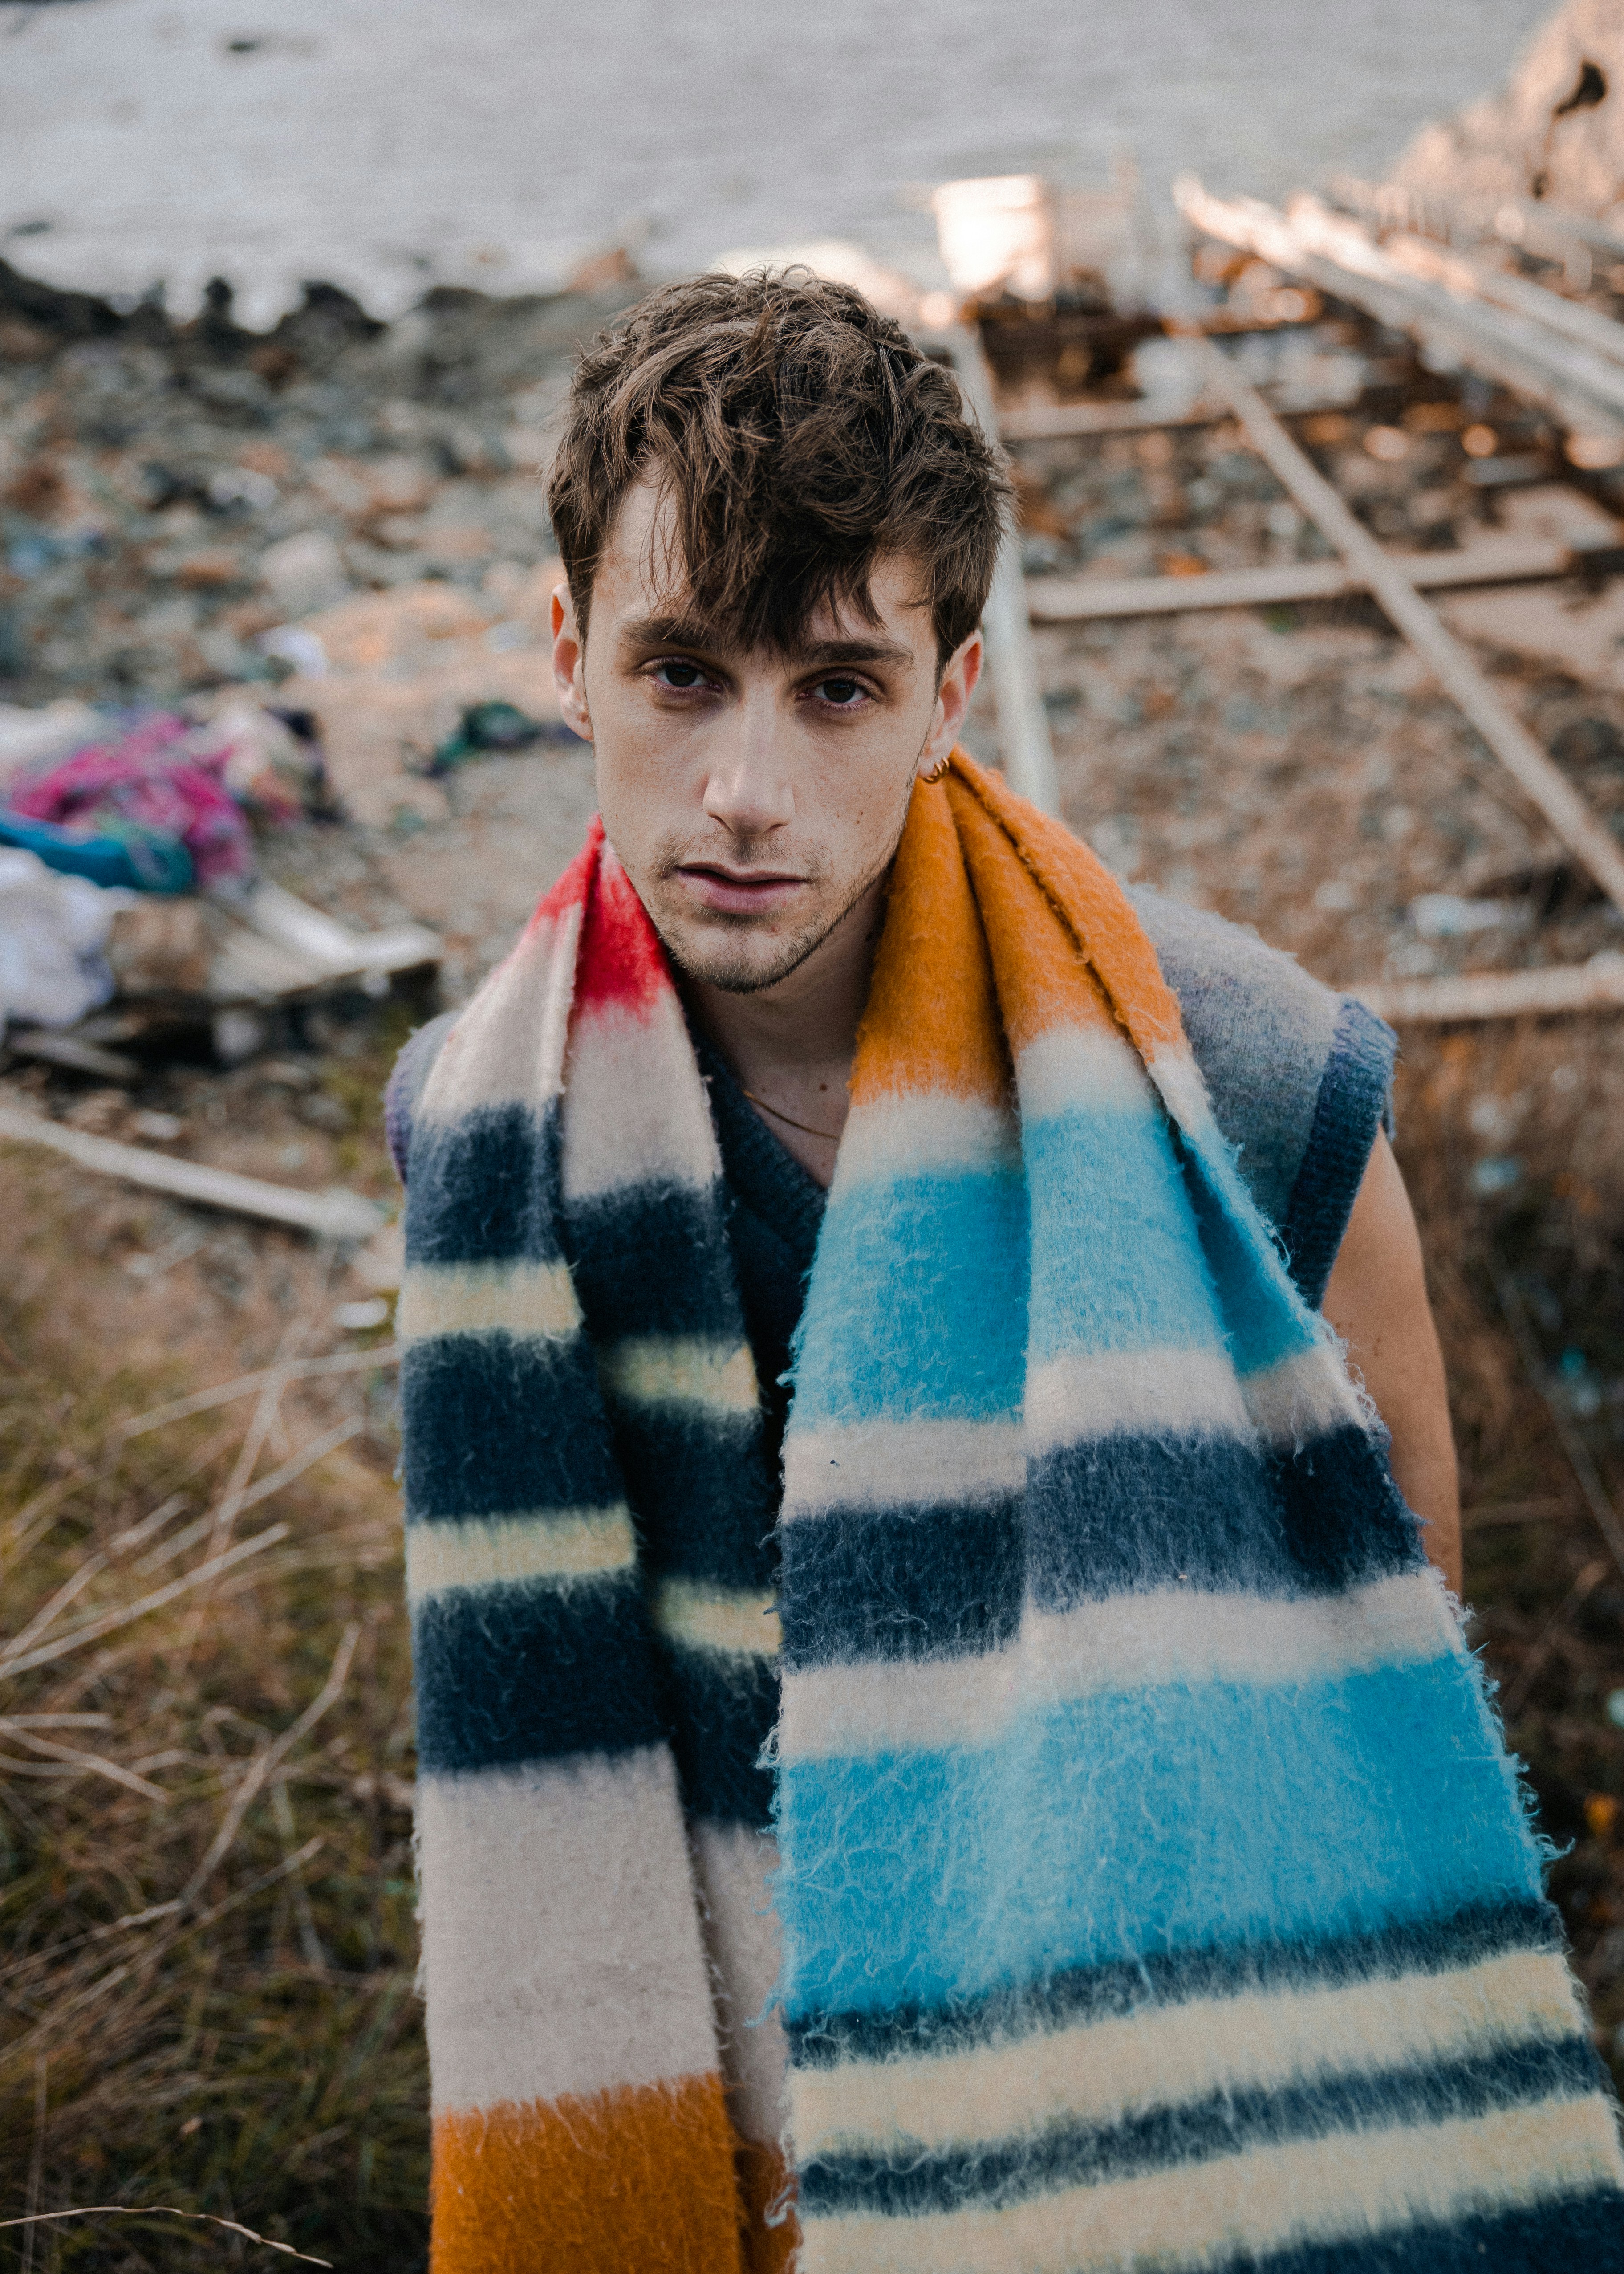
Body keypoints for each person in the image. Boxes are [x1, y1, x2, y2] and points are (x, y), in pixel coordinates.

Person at [386, 273, 1624, 2274]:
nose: (746, 793)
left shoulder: (1257, 1087)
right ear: (570, 660)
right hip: (744, 2151)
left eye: (839, 686)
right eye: (683, 673)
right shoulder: (484, 1139)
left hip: (1184, 2135)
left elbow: (1383, 1703)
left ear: (954, 695)